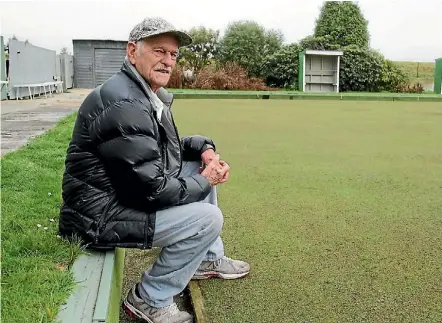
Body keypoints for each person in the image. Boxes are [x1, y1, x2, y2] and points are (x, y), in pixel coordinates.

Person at [58, 17, 250, 323]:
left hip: (116, 197)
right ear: (133, 52)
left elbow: (163, 149)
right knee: (207, 218)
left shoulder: (142, 92)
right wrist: (204, 180)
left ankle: (207, 260)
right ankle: (150, 298)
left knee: (198, 167)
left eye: (173, 55)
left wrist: (205, 151)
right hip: (98, 216)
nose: (168, 61)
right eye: (159, 51)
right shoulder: (124, 102)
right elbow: (151, 190)